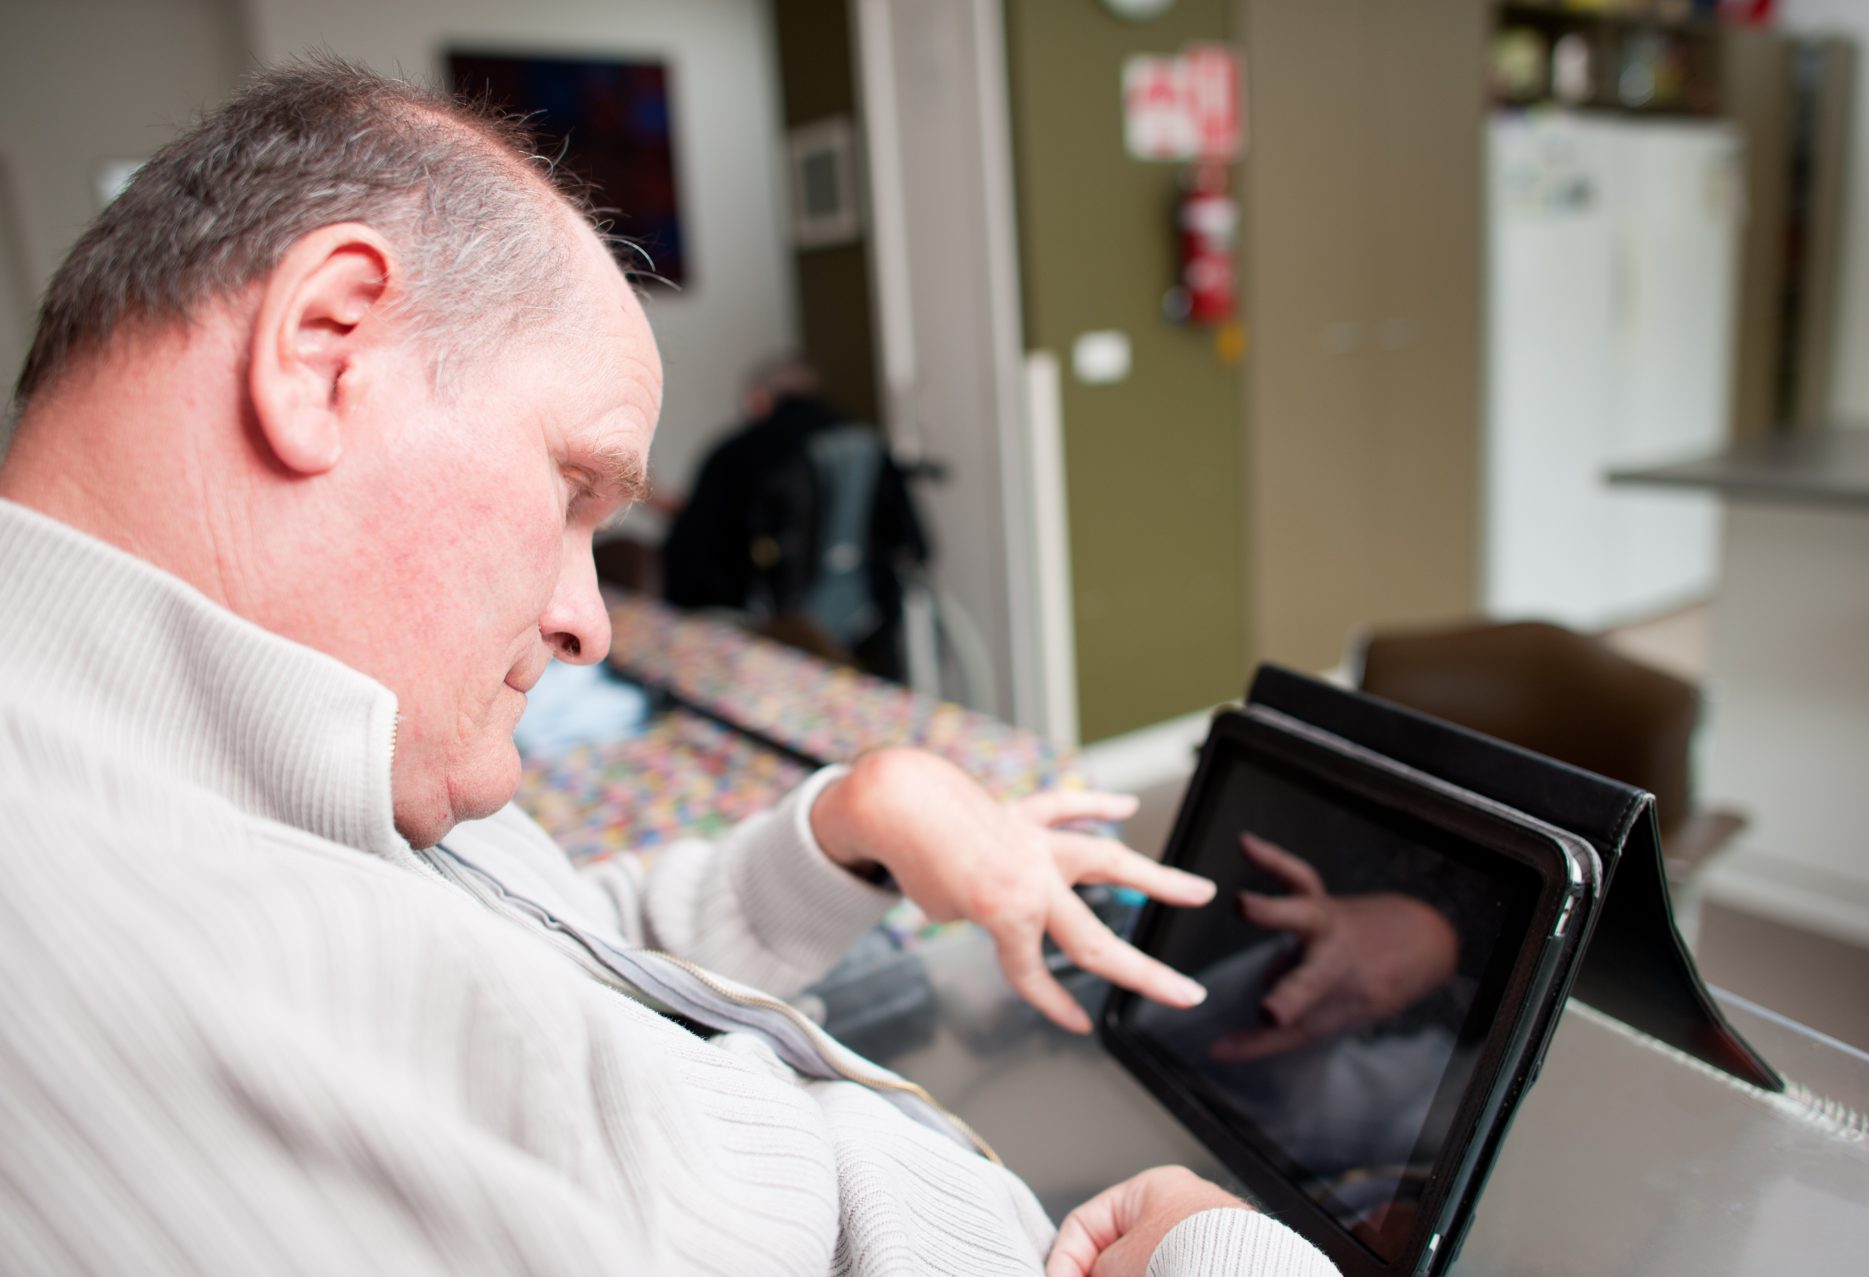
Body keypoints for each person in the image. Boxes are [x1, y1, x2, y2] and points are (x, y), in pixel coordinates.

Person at [0, 60, 1335, 1277]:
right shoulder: (106, 961)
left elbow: (555, 968)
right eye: (573, 486)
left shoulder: (267, 756)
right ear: (324, 347)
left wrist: (835, 835)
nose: (592, 620)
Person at [662, 357, 927, 677]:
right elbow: (916, 544)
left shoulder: (737, 453)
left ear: (757, 400)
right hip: (870, 629)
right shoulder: (867, 443)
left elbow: (692, 557)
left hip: (773, 639)